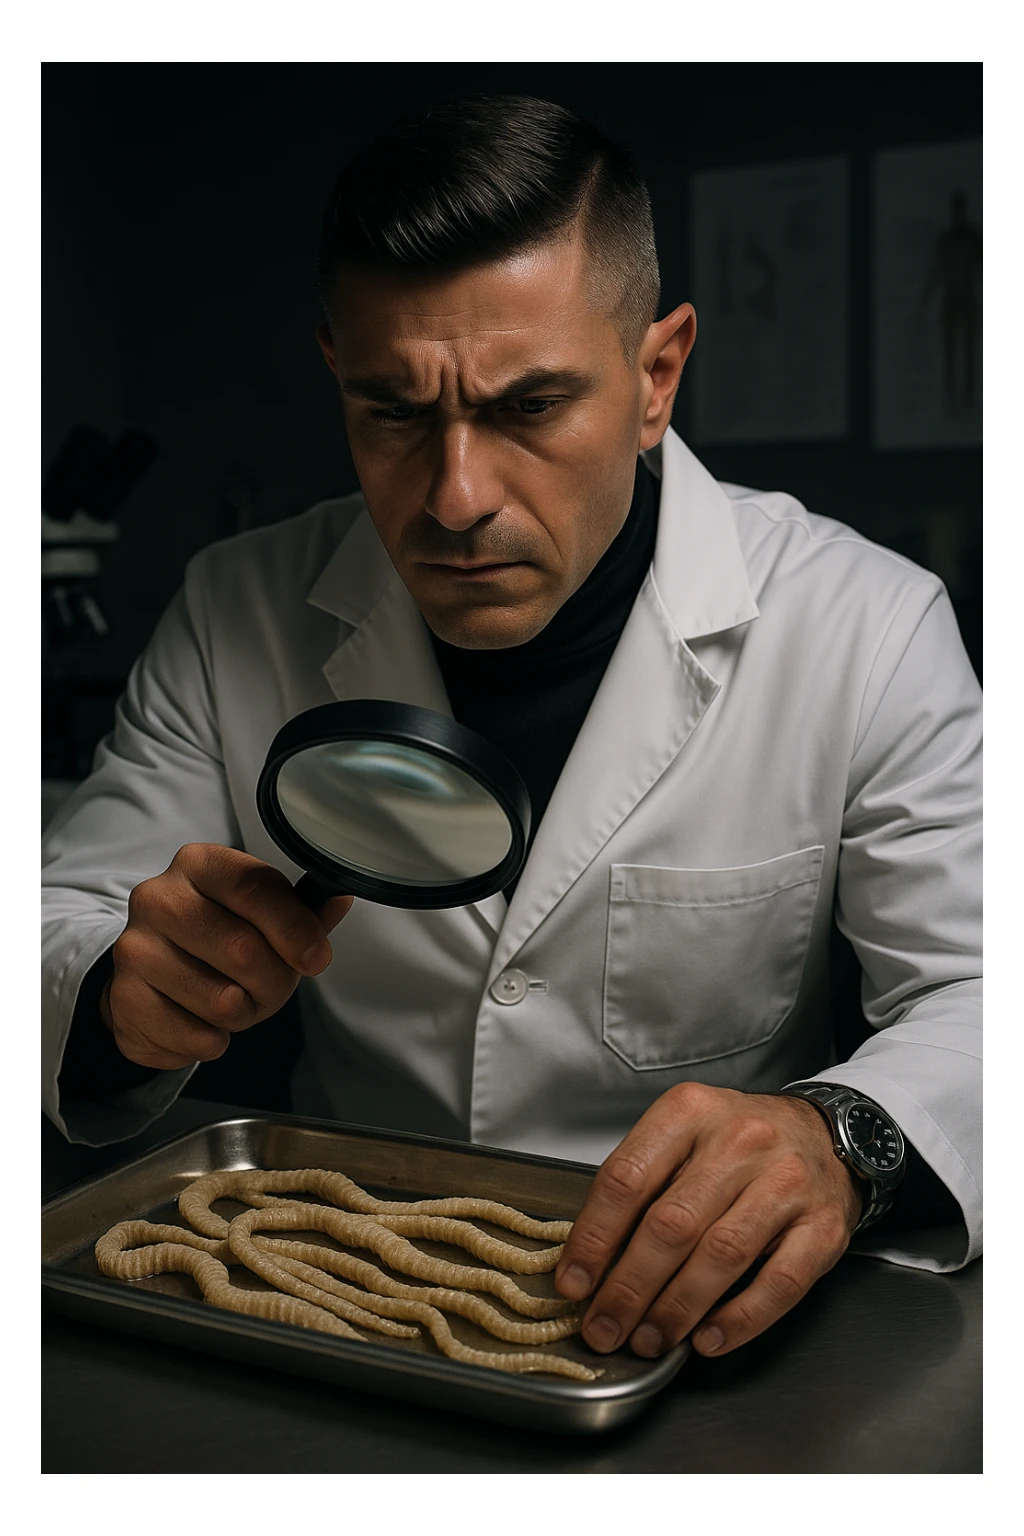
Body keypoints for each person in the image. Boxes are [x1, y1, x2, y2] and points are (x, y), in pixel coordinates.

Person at [42, 95, 981, 1366]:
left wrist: (843, 1136)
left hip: (703, 1327)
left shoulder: (864, 626)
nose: (458, 497)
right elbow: (59, 919)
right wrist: (116, 996)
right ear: (335, 373)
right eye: (392, 411)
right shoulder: (234, 605)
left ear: (656, 377)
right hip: (334, 1284)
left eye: (530, 407)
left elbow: (987, 993)